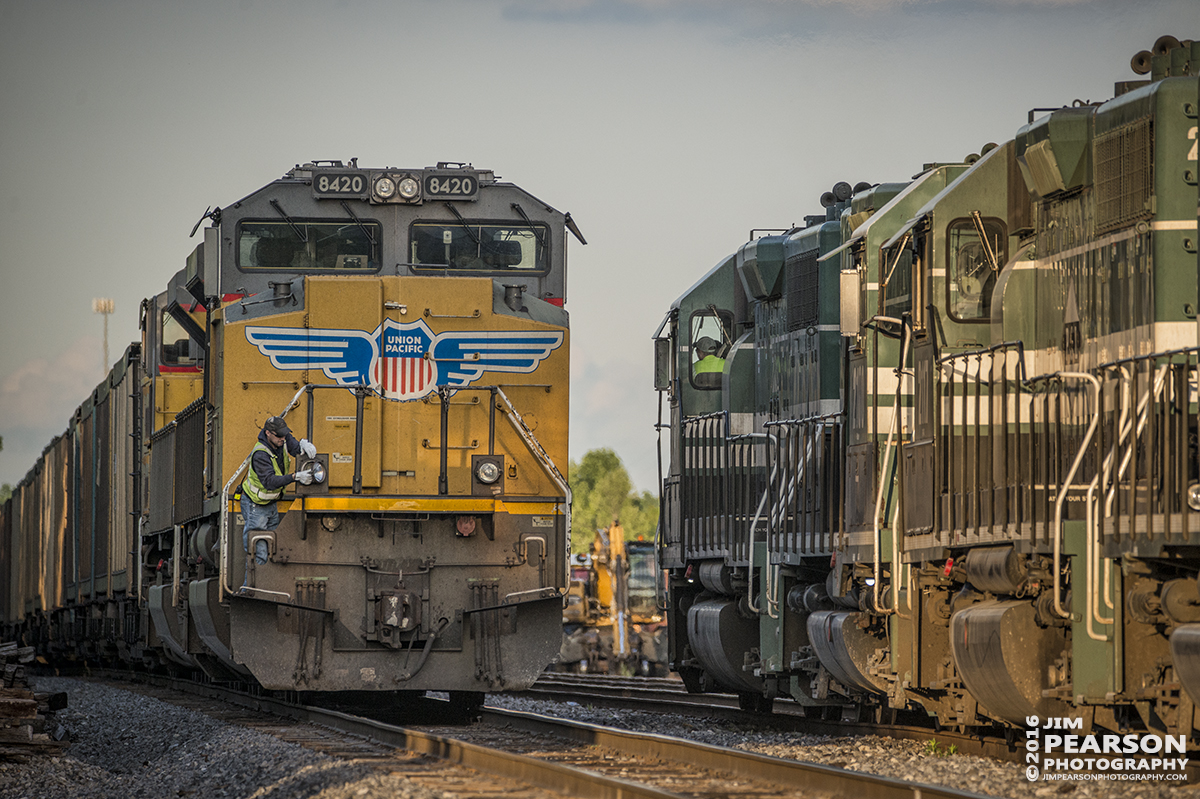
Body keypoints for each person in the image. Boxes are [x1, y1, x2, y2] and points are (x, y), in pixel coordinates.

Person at [240, 416, 317, 574]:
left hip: (270, 503)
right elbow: (269, 481)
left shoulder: (282, 438)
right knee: (259, 552)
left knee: (274, 547)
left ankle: (268, 587)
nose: (283, 439)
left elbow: (293, 445)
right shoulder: (260, 454)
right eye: (279, 436)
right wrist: (295, 477)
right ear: (268, 433)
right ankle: (252, 588)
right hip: (256, 504)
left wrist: (302, 444)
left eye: (284, 435)